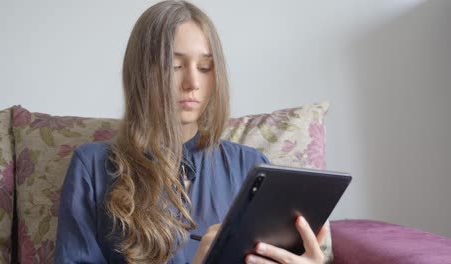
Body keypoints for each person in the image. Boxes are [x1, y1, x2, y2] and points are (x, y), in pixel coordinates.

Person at [54, 1, 328, 263]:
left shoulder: (251, 167)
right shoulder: (92, 166)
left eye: (205, 67)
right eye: (175, 66)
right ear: (140, 72)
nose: (192, 83)